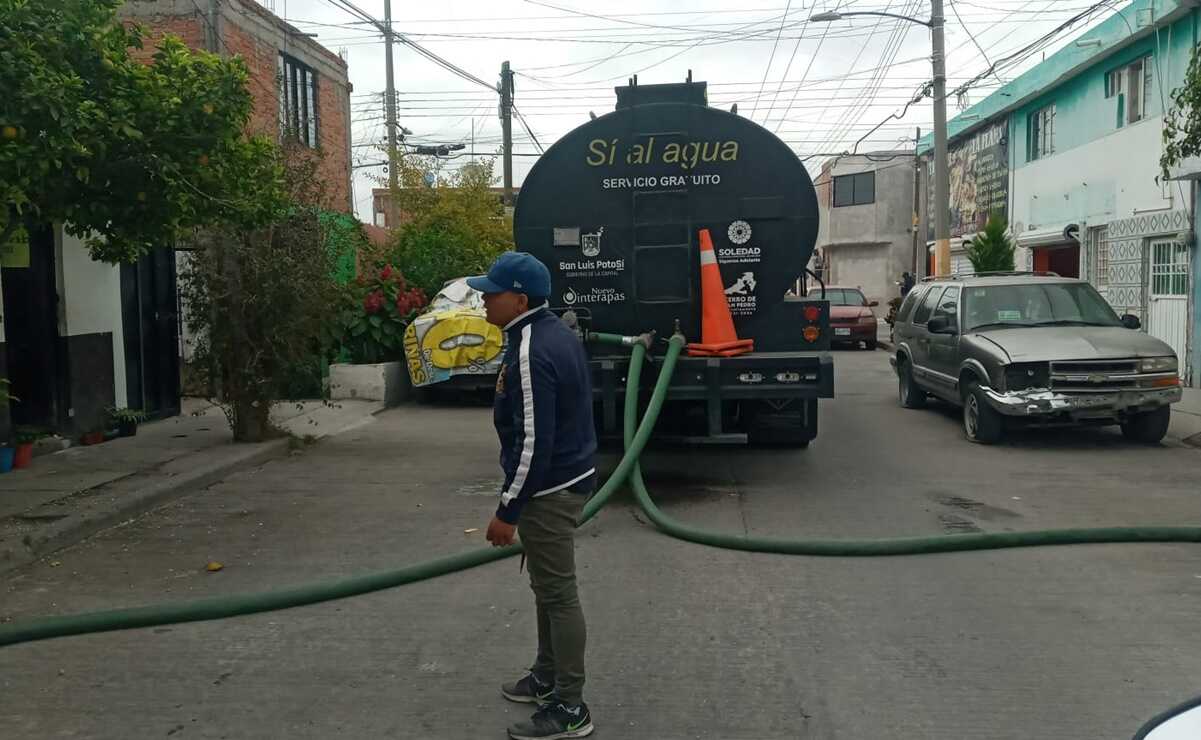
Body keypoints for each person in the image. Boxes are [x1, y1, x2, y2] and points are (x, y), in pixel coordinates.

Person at [468, 251, 599, 740]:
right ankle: (546, 676)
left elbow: (534, 441)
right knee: (547, 588)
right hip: (567, 477)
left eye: (492, 293)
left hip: (551, 488)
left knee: (558, 594)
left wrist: (509, 509)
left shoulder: (531, 349)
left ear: (519, 300)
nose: (484, 300)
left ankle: (570, 707)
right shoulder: (551, 332)